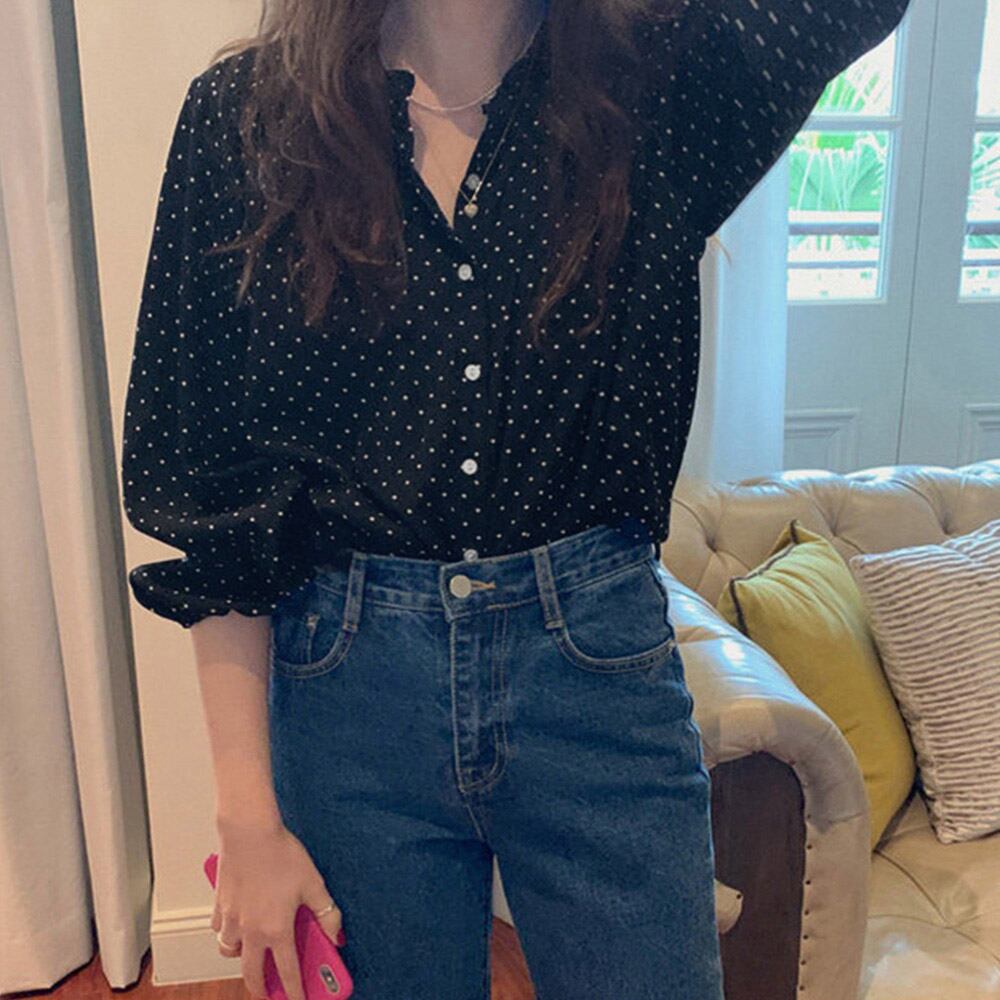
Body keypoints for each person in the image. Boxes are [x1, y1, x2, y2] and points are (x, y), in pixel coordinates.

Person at [120, 0, 913, 996]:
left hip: (596, 673)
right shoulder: (246, 119)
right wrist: (246, 816)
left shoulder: (662, 84)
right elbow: (213, 486)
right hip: (349, 696)